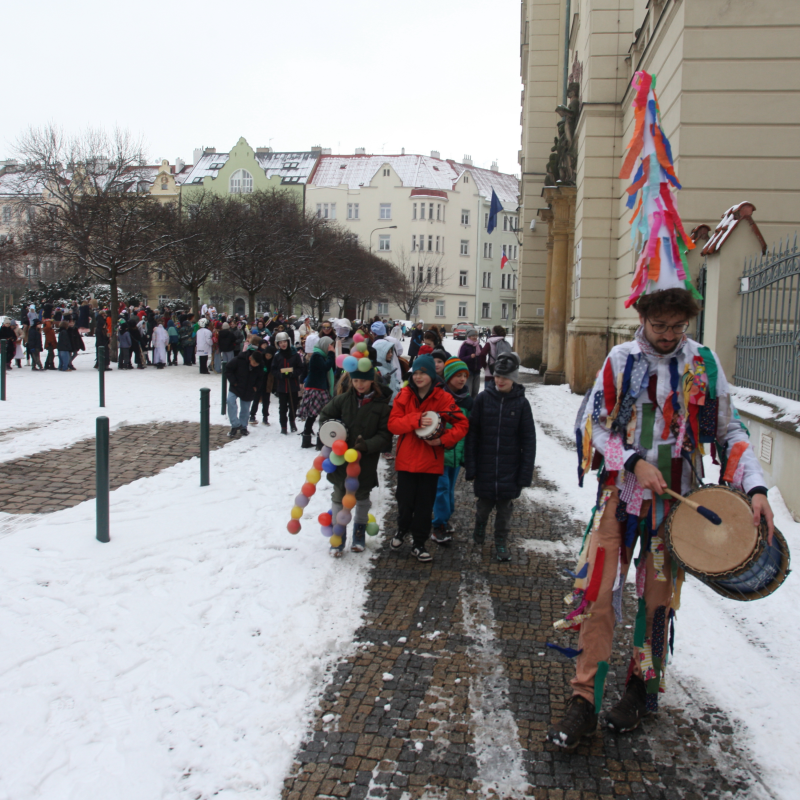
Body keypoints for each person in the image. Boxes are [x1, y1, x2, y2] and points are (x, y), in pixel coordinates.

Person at [546, 288, 774, 749]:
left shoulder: (703, 364)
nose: (669, 336)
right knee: (600, 594)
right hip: (620, 499)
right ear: (643, 319)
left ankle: (639, 687)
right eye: (660, 326)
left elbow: (729, 428)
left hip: (676, 507)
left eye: (678, 327)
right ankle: (584, 699)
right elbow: (594, 425)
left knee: (657, 603)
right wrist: (633, 462)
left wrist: (756, 486)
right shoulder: (620, 360)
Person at [387, 355, 469, 562]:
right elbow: (393, 424)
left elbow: (462, 424)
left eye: (423, 372)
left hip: (430, 462)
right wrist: (415, 419)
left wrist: (443, 440)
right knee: (405, 503)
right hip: (406, 460)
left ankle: (419, 543)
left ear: (432, 374)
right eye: (415, 373)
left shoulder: (443, 398)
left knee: (424, 506)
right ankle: (401, 530)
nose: (418, 376)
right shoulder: (404, 395)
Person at [465, 352, 536, 562]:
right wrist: (472, 466)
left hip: (509, 468)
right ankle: (480, 526)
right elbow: (473, 435)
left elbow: (528, 441)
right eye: (497, 376)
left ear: (513, 378)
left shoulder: (522, 405)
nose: (500, 380)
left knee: (504, 512)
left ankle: (501, 541)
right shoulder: (483, 399)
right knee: (483, 507)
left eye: (504, 377)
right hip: (485, 466)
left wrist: (524, 475)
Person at [318, 363, 393, 556]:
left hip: (365, 462)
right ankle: (338, 536)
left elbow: (384, 435)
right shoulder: (343, 400)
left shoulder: (381, 407)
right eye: (356, 380)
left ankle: (359, 533)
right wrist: (335, 433)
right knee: (338, 496)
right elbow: (326, 416)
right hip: (341, 459)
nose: (360, 384)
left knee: (362, 498)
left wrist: (367, 445)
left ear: (372, 381)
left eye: (364, 380)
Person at [431, 359, 474, 544]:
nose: (462, 379)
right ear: (448, 376)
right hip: (440, 452)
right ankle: (438, 525)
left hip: (456, 454)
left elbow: (468, 431)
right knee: (441, 489)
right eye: (458, 375)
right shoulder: (440, 397)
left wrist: (464, 455)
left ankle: (445, 518)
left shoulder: (467, 400)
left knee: (449, 490)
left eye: (465, 375)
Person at [298, 335, 335, 448]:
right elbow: (326, 367)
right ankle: (318, 441)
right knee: (318, 415)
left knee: (314, 416)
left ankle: (309, 439)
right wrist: (331, 354)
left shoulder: (319, 356)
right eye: (330, 346)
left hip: (318, 388)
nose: (331, 348)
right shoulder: (317, 356)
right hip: (316, 390)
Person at [225, 349, 265, 437]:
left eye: (256, 364)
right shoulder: (239, 360)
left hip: (249, 389)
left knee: (245, 409)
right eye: (254, 363)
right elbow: (228, 369)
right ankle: (235, 424)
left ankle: (243, 427)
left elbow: (261, 378)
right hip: (236, 386)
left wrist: (256, 387)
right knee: (230, 401)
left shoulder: (260, 366)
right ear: (250, 358)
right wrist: (233, 381)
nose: (255, 365)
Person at [272, 331, 303, 434]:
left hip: (293, 385)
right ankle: (283, 426)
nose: (283, 344)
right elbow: (273, 369)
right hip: (281, 386)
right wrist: (279, 375)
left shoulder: (295, 355)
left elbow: (300, 368)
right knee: (283, 407)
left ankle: (292, 422)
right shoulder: (277, 356)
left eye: (284, 342)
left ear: (288, 342)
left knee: (293, 406)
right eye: (280, 343)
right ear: (278, 344)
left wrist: (293, 373)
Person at [478, 325, 511, 389]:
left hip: (491, 370)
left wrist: (484, 365)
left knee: (488, 394)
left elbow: (482, 354)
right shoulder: (505, 342)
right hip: (503, 371)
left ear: (493, 332)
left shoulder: (490, 341)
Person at [458, 328, 482, 396]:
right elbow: (460, 358)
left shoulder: (479, 346)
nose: (474, 337)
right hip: (468, 372)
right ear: (469, 337)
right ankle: (468, 405)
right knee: (468, 391)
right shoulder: (465, 346)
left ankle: (474, 405)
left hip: (477, 371)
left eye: (475, 335)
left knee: (475, 391)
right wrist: (470, 357)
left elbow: (481, 356)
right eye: (473, 336)